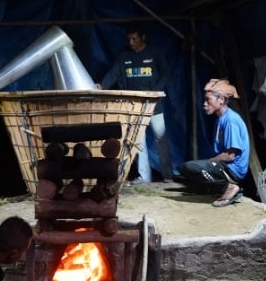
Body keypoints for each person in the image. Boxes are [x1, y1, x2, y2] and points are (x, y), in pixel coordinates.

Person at [98, 23, 175, 185]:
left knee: (161, 139)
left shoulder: (154, 53)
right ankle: (144, 176)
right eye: (129, 39)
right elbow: (114, 73)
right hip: (135, 106)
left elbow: (166, 72)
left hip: (155, 105)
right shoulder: (124, 56)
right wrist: (102, 85)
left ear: (143, 37)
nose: (131, 42)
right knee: (139, 142)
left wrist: (155, 91)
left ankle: (168, 175)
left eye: (134, 39)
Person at [177, 79, 250, 207]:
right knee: (183, 168)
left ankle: (231, 187)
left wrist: (210, 162)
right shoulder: (220, 119)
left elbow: (230, 155)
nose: (204, 104)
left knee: (192, 167)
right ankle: (219, 187)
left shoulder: (230, 120)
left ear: (221, 100)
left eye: (208, 100)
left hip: (234, 170)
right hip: (225, 167)